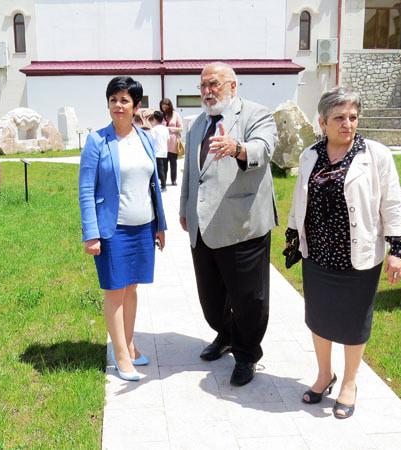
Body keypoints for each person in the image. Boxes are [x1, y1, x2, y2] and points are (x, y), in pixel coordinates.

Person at [286, 86, 401, 419]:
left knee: (354, 323)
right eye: (339, 117)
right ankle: (324, 374)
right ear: (322, 122)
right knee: (319, 318)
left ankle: (350, 382)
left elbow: (392, 203)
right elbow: (300, 198)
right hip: (318, 255)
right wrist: (293, 235)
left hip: (359, 256)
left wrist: (397, 249)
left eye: (353, 117)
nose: (348, 124)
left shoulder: (376, 154)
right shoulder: (310, 155)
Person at [179, 62, 278, 386]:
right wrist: (185, 208)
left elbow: (264, 149)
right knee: (211, 300)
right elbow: (190, 172)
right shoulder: (197, 124)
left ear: (233, 86)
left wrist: (237, 148)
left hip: (242, 225)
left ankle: (247, 354)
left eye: (214, 84)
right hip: (202, 226)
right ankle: (226, 335)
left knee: (249, 299)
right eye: (203, 85)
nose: (208, 91)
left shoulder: (256, 114)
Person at [79, 76, 168, 382]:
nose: (118, 105)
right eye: (113, 99)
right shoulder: (97, 141)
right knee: (115, 290)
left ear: (136, 106)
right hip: (112, 230)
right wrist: (91, 234)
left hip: (143, 228)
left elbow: (153, 185)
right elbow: (86, 190)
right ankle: (119, 355)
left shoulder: (145, 138)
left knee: (132, 288)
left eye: (124, 100)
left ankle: (129, 345)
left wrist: (160, 226)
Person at [159, 98, 183, 186]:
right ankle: (163, 181)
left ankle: (173, 180)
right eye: (163, 105)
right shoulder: (160, 115)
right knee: (164, 164)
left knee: (173, 163)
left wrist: (168, 129)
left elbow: (181, 128)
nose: (164, 107)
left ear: (170, 106)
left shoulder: (175, 114)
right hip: (163, 143)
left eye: (166, 105)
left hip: (173, 143)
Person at [148, 110, 170, 191]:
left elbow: (151, 140)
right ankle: (164, 184)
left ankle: (163, 186)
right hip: (165, 151)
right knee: (164, 169)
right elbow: (168, 139)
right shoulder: (165, 129)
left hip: (157, 152)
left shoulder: (154, 129)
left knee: (159, 170)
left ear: (155, 119)